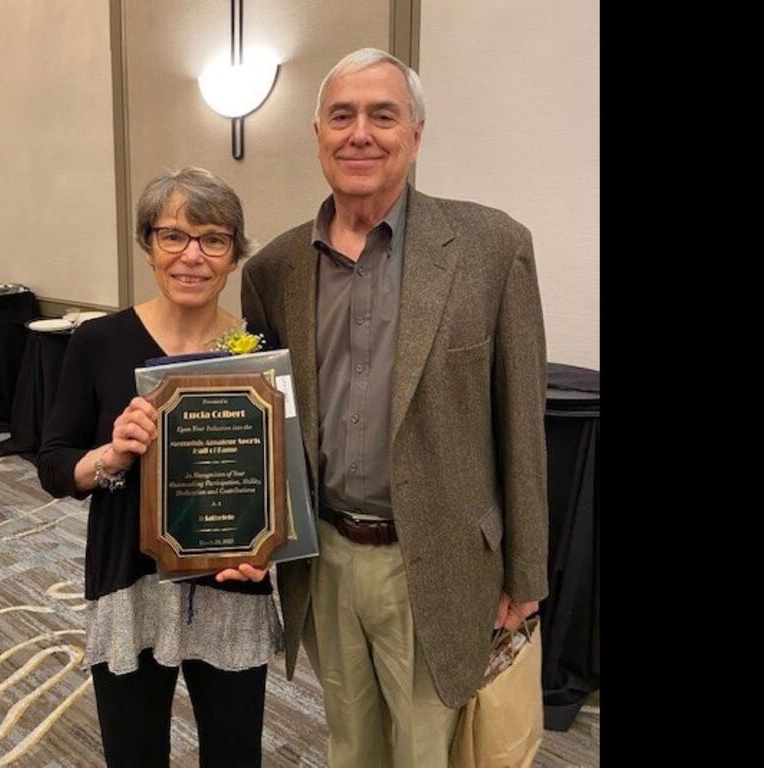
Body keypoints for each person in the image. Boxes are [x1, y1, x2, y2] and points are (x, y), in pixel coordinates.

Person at [241, 48, 549, 768]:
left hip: (437, 561)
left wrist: (527, 577)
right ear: (317, 132)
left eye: (383, 116)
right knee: (350, 745)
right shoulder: (275, 269)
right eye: (342, 116)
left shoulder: (491, 247)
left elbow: (523, 429)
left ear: (415, 133)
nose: (361, 134)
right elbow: (261, 425)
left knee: (425, 751)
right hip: (326, 558)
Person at [39, 167, 281, 768]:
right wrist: (111, 455)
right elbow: (54, 465)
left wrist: (274, 546)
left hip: (230, 583)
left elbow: (283, 470)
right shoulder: (97, 341)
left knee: (233, 753)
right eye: (173, 235)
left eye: (213, 239)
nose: (191, 256)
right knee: (135, 752)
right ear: (149, 245)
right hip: (131, 582)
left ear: (233, 254)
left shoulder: (260, 347)